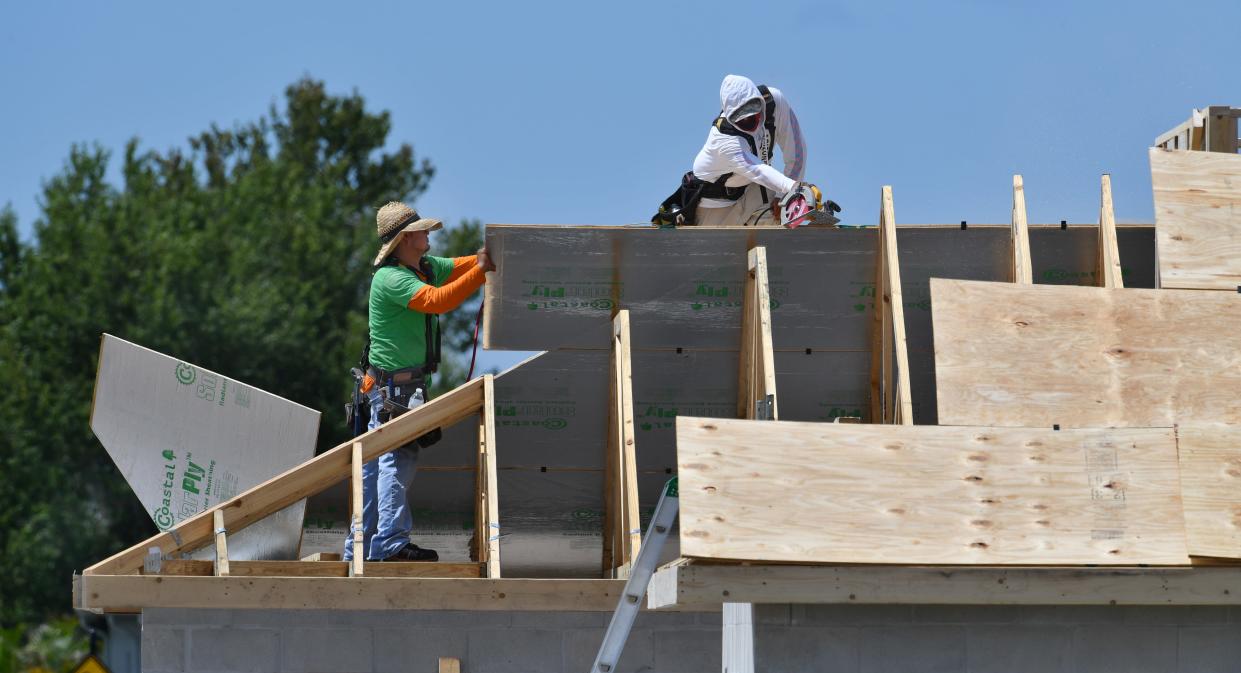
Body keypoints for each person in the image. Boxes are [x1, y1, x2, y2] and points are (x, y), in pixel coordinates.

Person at [343, 201, 495, 562]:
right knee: (396, 460)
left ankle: (359, 550)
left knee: (372, 468)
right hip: (392, 389)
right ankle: (391, 544)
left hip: (387, 387)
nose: (428, 234)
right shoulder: (392, 278)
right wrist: (481, 271)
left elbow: (456, 266)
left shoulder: (421, 267)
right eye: (423, 231)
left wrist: (477, 261)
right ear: (407, 238)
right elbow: (437, 302)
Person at [652, 75, 812, 227]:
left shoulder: (774, 102)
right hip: (715, 208)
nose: (750, 120)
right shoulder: (725, 139)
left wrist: (787, 195)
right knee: (715, 253)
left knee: (783, 204)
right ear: (729, 116)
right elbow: (759, 171)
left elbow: (797, 151)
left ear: (760, 100)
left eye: (753, 108)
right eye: (741, 117)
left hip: (750, 190)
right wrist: (796, 187)